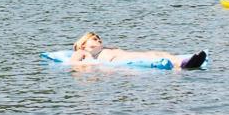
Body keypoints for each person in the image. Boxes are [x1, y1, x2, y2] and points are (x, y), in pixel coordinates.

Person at [69, 32, 207, 70]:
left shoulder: (106, 48)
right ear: (83, 44)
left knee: (158, 53)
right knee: (151, 57)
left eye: (99, 38)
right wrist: (88, 62)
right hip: (119, 61)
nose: (98, 39)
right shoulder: (83, 52)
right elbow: (73, 63)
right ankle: (181, 66)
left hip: (130, 54)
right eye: (93, 38)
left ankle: (184, 63)